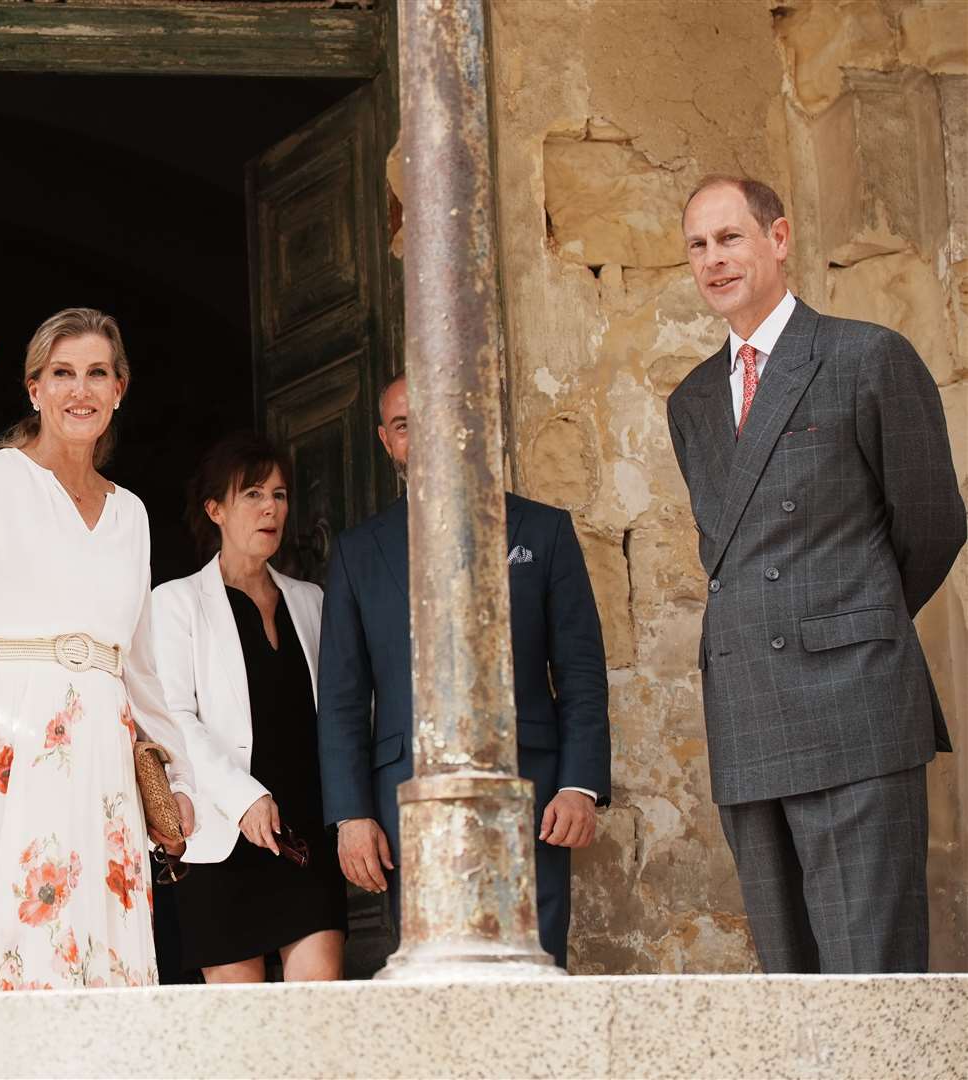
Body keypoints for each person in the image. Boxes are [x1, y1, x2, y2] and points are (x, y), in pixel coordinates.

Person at [667, 175, 963, 973]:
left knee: (866, 981)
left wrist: (845, 622)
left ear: (779, 238)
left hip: (851, 705)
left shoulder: (865, 356)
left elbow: (932, 524)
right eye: (697, 246)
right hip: (745, 717)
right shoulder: (690, 399)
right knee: (788, 989)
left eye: (729, 238)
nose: (713, 260)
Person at [0, 292, 197, 992]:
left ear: (119, 389)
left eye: (97, 373)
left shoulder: (131, 514)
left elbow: (139, 663)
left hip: (98, 744)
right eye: (62, 373)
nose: (79, 390)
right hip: (2, 726)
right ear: (33, 388)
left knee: (92, 936)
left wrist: (175, 775)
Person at [316, 374, 610, 966]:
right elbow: (344, 700)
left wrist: (580, 786)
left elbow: (580, 671)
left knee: (538, 962)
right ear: (385, 440)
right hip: (406, 803)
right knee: (431, 973)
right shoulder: (356, 553)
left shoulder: (542, 532)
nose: (421, 437)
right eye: (404, 425)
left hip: (535, 796)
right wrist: (351, 815)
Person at [151, 432, 346, 982]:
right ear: (215, 509)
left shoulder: (311, 601)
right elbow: (174, 719)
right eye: (253, 494)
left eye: (280, 496)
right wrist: (245, 798)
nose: (270, 508)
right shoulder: (176, 602)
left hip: (305, 835)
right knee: (245, 1039)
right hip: (222, 837)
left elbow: (334, 714)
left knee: (321, 1022)